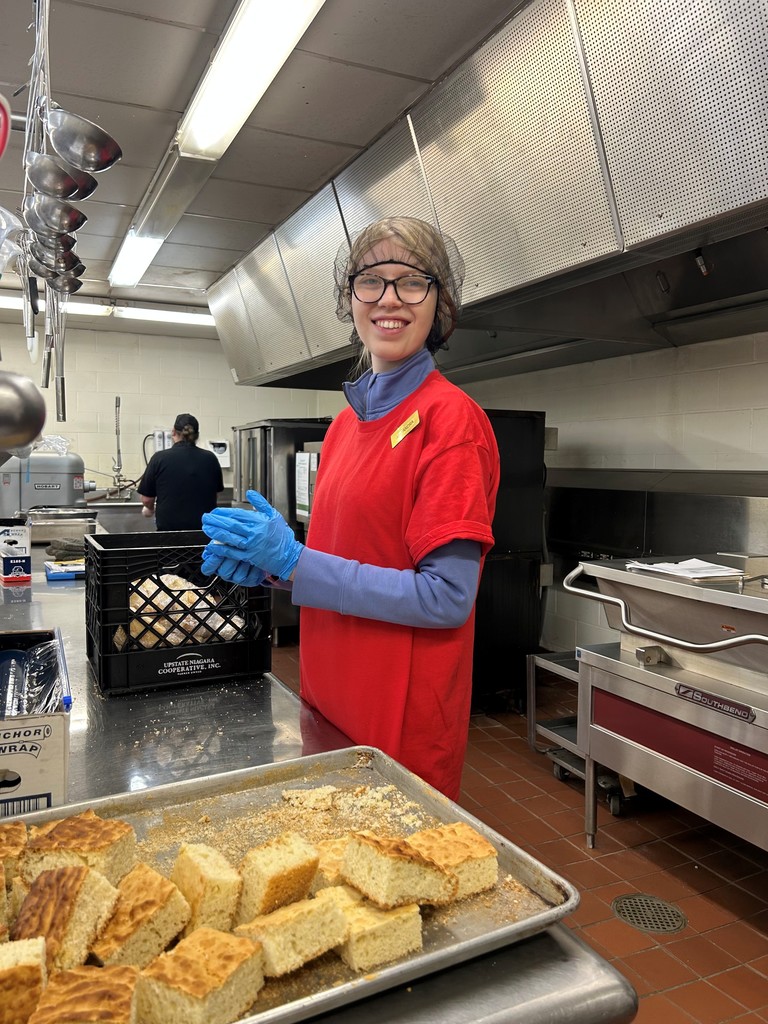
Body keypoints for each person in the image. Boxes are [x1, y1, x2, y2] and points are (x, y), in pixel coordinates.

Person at [200, 217, 500, 800]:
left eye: (413, 282)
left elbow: (446, 599)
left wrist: (296, 562)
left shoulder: (451, 422)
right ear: (351, 298)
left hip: (397, 722)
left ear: (440, 305)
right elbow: (347, 562)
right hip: (329, 700)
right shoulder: (343, 427)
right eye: (372, 281)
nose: (390, 299)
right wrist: (273, 568)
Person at [138, 413, 224, 531]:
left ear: (173, 432)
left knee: (170, 549)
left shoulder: (159, 458)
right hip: (203, 532)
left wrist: (150, 509)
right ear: (197, 435)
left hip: (169, 533)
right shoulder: (210, 458)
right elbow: (216, 494)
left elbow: (147, 499)